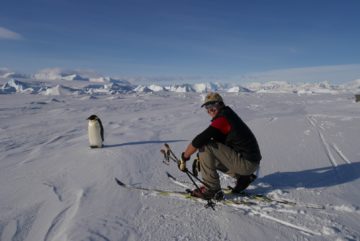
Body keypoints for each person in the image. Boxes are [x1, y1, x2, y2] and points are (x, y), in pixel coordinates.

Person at [179, 92, 262, 200]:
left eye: (212, 105)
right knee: (209, 154)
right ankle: (244, 177)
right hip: (250, 163)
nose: (210, 110)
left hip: (247, 164)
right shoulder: (227, 115)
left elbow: (199, 140)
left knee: (206, 146)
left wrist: (184, 157)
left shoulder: (223, 119)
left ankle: (212, 189)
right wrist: (203, 159)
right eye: (207, 107)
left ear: (221, 104)